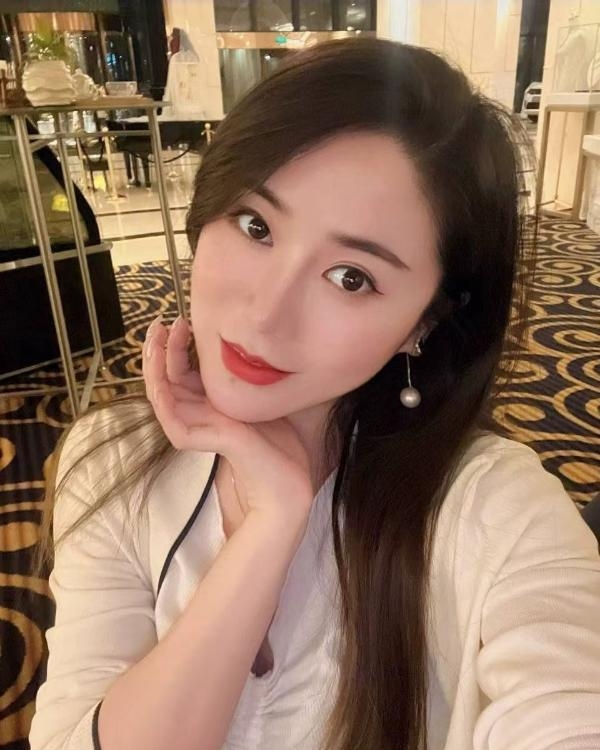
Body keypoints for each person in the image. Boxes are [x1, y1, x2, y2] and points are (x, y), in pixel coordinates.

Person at [28, 37, 600, 750]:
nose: (265, 314)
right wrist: (270, 525)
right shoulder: (111, 458)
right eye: (256, 226)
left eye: (351, 277)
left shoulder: (496, 509)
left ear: (422, 323)